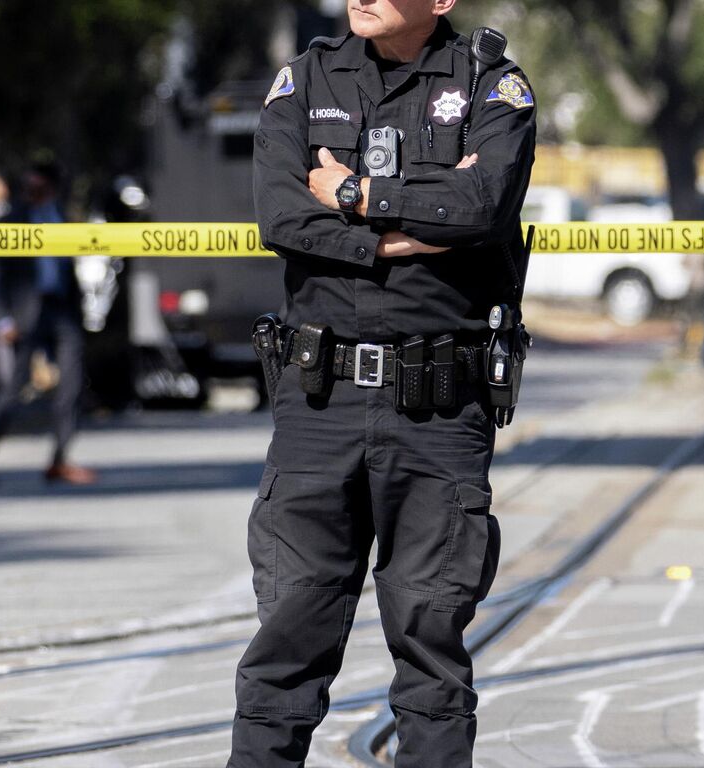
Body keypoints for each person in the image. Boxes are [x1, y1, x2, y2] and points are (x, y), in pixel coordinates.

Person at [230, 0, 536, 764]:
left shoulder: (491, 87)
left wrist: (351, 193)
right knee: (286, 640)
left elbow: (484, 206)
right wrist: (410, 233)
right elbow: (280, 217)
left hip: (439, 407)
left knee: (431, 647)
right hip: (318, 400)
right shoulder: (304, 80)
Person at [0, 164, 97, 486]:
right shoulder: (11, 222)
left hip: (62, 310)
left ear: (51, 189)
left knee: (71, 386)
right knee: (11, 390)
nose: (32, 194)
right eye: (27, 188)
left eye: (38, 188)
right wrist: (3, 319)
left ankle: (59, 459)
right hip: (25, 315)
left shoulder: (63, 218)